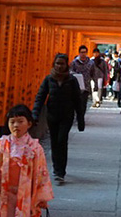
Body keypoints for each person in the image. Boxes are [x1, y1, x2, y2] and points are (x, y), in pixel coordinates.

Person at [32, 53, 83, 183]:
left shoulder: (72, 80)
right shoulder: (49, 79)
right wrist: (35, 114)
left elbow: (77, 100)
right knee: (55, 142)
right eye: (57, 63)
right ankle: (56, 169)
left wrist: (80, 118)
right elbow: (40, 97)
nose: (59, 66)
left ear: (67, 65)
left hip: (67, 116)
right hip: (52, 115)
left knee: (62, 140)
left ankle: (61, 171)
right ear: (54, 64)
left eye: (62, 64)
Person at [70, 45, 94, 124]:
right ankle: (75, 116)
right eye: (81, 52)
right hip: (75, 87)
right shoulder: (74, 62)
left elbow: (93, 73)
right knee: (74, 103)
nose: (83, 54)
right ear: (79, 53)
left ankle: (80, 118)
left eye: (84, 52)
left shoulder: (90, 63)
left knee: (83, 104)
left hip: (86, 87)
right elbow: (70, 72)